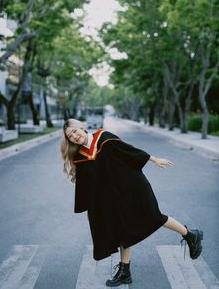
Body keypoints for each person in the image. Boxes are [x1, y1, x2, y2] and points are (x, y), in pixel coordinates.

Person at [60, 118, 203, 287]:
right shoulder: (80, 156)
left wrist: (154, 159)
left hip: (132, 188)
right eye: (70, 136)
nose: (74, 136)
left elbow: (129, 151)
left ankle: (191, 234)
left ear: (82, 128)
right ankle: (125, 272)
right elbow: (87, 183)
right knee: (122, 231)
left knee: (154, 218)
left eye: (75, 131)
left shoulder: (104, 138)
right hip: (112, 198)